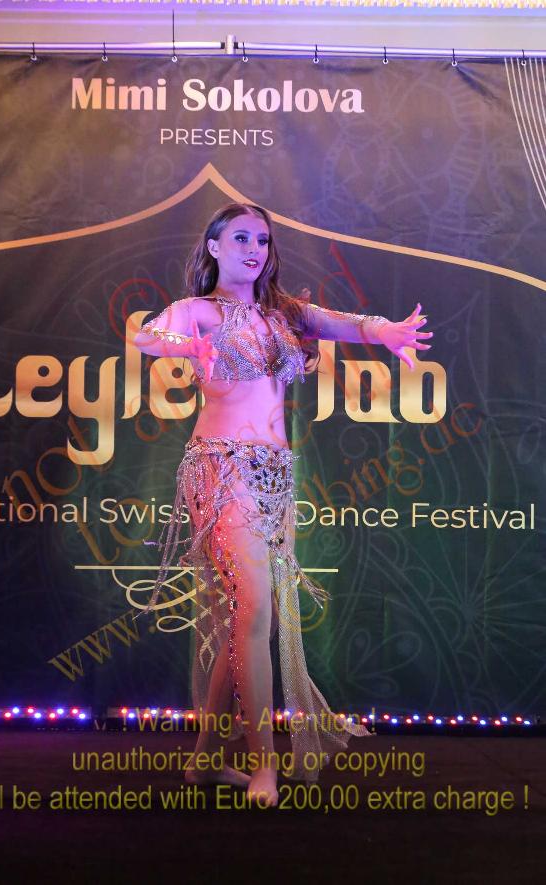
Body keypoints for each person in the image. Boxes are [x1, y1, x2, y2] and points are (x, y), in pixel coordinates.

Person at [132, 202, 433, 807]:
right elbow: (147, 334)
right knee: (253, 609)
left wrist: (388, 333)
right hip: (221, 468)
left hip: (274, 475)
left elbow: (349, 324)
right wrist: (187, 347)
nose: (255, 250)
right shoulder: (199, 311)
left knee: (251, 617)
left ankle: (205, 762)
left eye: (263, 241)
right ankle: (263, 764)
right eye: (241, 238)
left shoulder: (285, 313)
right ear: (214, 247)